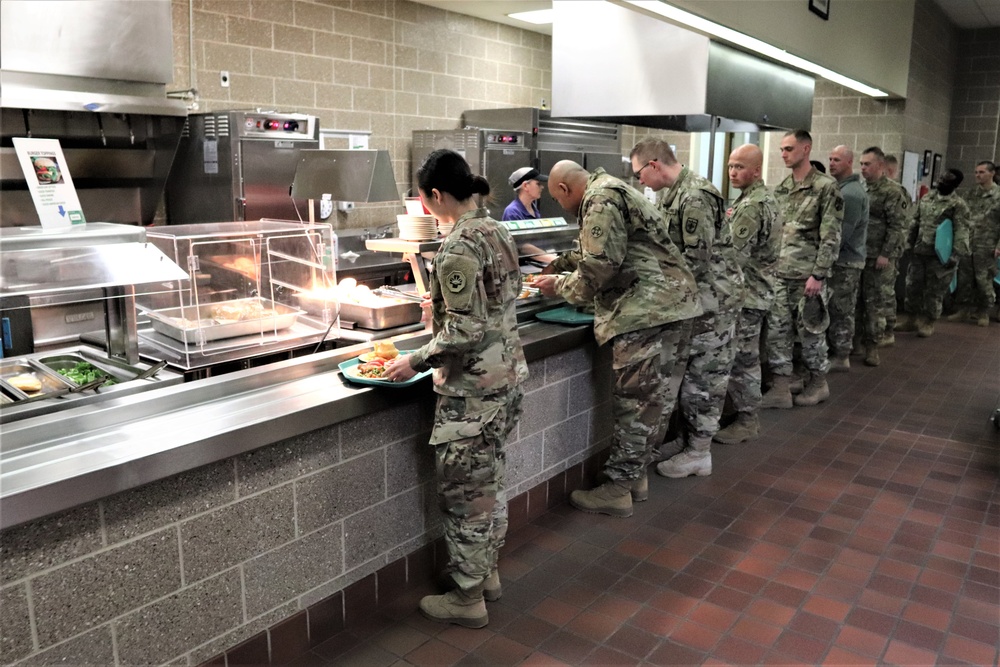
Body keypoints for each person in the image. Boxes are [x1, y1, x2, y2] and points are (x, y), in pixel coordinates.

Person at [384, 149, 527, 629]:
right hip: (505, 379)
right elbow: (499, 298)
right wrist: (440, 311)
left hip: (472, 392)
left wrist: (414, 360)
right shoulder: (496, 229)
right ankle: (486, 577)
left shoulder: (458, 245)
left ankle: (467, 600)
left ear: (435, 196)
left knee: (465, 496)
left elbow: (464, 333)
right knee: (490, 485)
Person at [533, 160, 701, 516]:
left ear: (564, 189)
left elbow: (598, 269)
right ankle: (635, 475)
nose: (561, 207)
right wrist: (560, 263)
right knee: (654, 399)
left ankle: (619, 488)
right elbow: (607, 248)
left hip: (644, 310)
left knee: (634, 402)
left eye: (558, 199)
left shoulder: (599, 199)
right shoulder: (614, 188)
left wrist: (558, 286)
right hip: (674, 305)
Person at [629, 138, 744, 478]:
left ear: (653, 165)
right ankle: (689, 442)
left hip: (713, 302)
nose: (639, 181)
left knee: (704, 378)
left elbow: (695, 261)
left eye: (638, 173)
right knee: (693, 376)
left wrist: (650, 288)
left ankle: (699, 453)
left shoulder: (694, 196)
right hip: (696, 301)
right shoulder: (673, 194)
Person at [762, 130, 843, 408]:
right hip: (780, 274)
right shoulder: (782, 188)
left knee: (810, 333)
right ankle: (781, 388)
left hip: (808, 277)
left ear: (806, 149)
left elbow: (830, 235)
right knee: (777, 334)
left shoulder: (825, 187)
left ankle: (819, 383)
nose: (783, 154)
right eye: (781, 149)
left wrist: (818, 274)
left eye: (788, 149)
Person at [713, 144, 781, 445]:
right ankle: (745, 417)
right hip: (756, 292)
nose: (732, 172)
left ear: (756, 170)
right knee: (747, 358)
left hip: (746, 296)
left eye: (739, 166)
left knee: (743, 359)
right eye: (730, 166)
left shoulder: (753, 205)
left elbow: (732, 257)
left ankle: (746, 420)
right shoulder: (759, 199)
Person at [898, 168, 971, 337]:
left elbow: (962, 231)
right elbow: (915, 221)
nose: (941, 181)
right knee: (912, 286)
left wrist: (956, 254)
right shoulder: (928, 197)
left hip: (940, 256)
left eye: (946, 180)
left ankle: (929, 321)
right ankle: (911, 319)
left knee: (934, 290)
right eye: (941, 178)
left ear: (954, 185)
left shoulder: (958, 205)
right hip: (920, 250)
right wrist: (908, 242)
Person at [857, 146, 909, 365]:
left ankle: (872, 347)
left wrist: (885, 254)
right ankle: (856, 342)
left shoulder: (892, 192)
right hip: (860, 254)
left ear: (879, 166)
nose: (862, 168)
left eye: (867, 164)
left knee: (874, 303)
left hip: (879, 257)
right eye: (861, 164)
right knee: (858, 302)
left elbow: (898, 226)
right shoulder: (862, 189)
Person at [826, 145, 869, 371]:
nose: (832, 163)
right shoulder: (842, 188)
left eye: (837, 160)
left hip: (845, 261)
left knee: (841, 309)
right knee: (838, 307)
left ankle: (841, 355)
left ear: (849, 162)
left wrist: (824, 256)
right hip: (842, 259)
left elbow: (842, 233)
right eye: (830, 159)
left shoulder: (850, 193)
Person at [948, 160, 1000, 326]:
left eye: (982, 172)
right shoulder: (970, 194)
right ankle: (964, 309)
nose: (978, 175)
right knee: (964, 277)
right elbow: (961, 216)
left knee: (983, 279)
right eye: (976, 172)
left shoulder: (998, 195)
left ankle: (983, 311)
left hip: (987, 244)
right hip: (968, 242)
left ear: (992, 174)